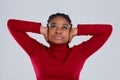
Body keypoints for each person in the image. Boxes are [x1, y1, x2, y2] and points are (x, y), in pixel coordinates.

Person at [7, 13, 112, 80]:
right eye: (53, 26)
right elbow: (12, 25)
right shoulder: (35, 50)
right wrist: (41, 29)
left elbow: (107, 30)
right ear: (48, 30)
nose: (58, 31)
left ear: (69, 31)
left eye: (64, 27)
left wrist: (77, 31)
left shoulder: (79, 53)